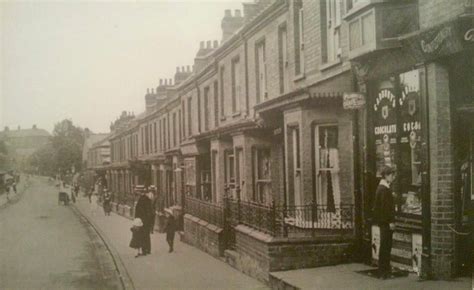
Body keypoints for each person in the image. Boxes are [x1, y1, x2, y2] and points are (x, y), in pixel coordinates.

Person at [372, 165, 396, 279]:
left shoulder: (381, 188)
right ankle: (384, 271)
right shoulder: (384, 189)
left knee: (385, 246)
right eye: (392, 175)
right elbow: (386, 208)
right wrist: (390, 221)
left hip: (383, 222)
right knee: (386, 246)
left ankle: (384, 270)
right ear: (386, 175)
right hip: (386, 222)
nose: (393, 177)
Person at [134, 189, 153, 255]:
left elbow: (138, 212)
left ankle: (144, 250)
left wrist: (136, 220)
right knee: (147, 235)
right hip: (146, 221)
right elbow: (150, 212)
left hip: (142, 222)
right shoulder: (147, 200)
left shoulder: (141, 200)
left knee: (143, 236)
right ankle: (148, 250)